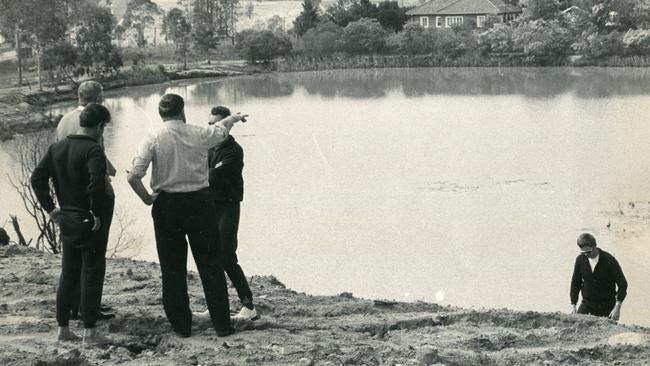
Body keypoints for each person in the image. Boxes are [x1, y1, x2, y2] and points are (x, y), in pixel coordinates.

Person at [127, 94, 247, 338]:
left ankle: (182, 327)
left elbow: (132, 175)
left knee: (172, 268)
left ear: (161, 115)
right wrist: (233, 118)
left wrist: (148, 198)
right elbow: (221, 131)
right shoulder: (198, 133)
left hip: (167, 205)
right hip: (200, 203)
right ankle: (222, 325)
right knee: (211, 264)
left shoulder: (153, 136)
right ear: (182, 112)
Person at [31, 103, 114, 344]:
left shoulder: (57, 147)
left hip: (67, 217)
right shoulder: (93, 150)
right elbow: (97, 184)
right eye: (104, 127)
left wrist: (51, 209)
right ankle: (89, 331)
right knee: (92, 271)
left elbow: (37, 178)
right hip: (89, 219)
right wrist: (97, 213)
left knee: (69, 272)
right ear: (99, 126)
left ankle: (63, 329)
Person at [56, 80, 115, 321]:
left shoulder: (64, 120)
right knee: (94, 254)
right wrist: (109, 171)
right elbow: (95, 152)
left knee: (71, 258)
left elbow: (61, 150)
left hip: (68, 194)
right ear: (98, 98)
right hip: (92, 192)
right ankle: (90, 307)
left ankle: (72, 305)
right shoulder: (94, 121)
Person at [202, 106, 257, 320]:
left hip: (227, 206)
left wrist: (195, 173)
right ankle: (217, 305)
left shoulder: (234, 150)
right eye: (209, 125)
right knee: (210, 255)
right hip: (210, 206)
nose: (212, 129)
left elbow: (213, 176)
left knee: (226, 255)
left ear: (226, 126)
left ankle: (249, 306)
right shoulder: (208, 149)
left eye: (216, 124)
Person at [570, 233, 628, 321]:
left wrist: (617, 307)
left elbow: (622, 284)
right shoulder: (580, 260)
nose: (585, 254)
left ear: (594, 246)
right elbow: (575, 283)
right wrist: (573, 305)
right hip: (587, 304)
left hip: (606, 305)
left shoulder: (609, 260)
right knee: (575, 324)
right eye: (583, 252)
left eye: (588, 252)